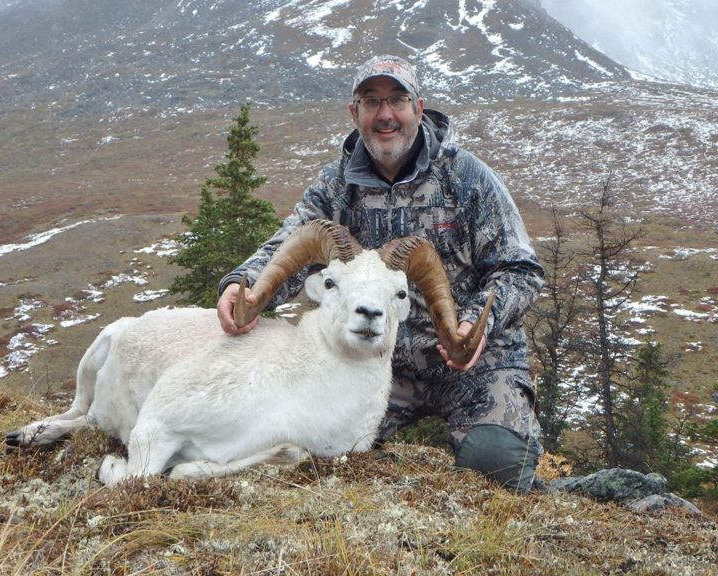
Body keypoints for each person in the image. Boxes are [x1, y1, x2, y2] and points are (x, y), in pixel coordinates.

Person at [216, 55, 545, 492]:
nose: (385, 115)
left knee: (495, 467)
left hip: (472, 358)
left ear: (419, 108)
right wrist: (247, 287)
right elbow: (289, 244)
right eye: (372, 102)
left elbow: (519, 269)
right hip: (371, 361)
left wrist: (471, 324)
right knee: (311, 460)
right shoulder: (336, 186)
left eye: (397, 100)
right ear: (355, 113)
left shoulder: (466, 177)